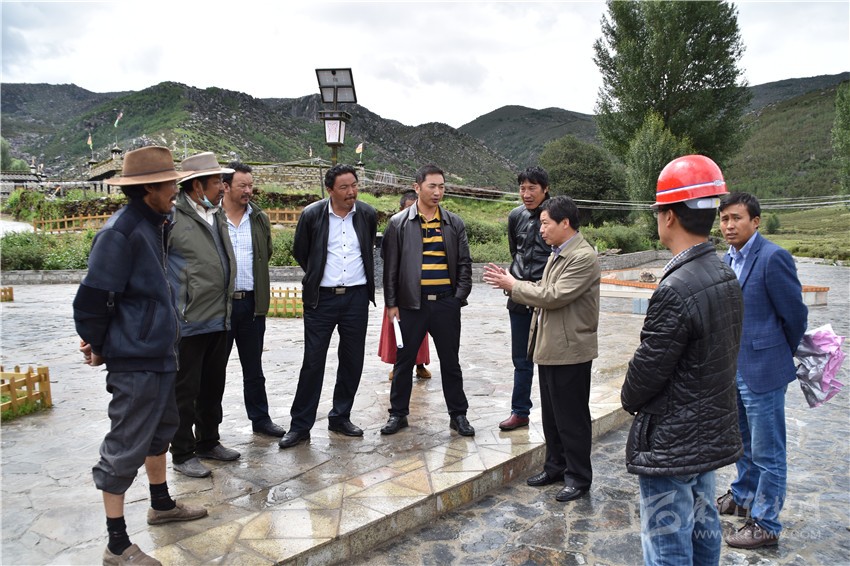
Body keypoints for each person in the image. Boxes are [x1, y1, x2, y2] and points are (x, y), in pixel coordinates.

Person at [73, 146, 207, 566]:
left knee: (161, 431)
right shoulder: (121, 232)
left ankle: (161, 504)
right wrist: (99, 344)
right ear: (149, 188)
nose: (175, 190)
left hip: (160, 353)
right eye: (169, 184)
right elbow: (92, 301)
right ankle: (116, 545)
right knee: (124, 446)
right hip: (135, 360)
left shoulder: (156, 223)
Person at [621, 155, 744, 565]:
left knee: (667, 545)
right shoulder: (723, 273)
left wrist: (628, 397)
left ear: (669, 216)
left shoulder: (676, 288)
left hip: (672, 443)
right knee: (703, 530)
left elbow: (645, 374)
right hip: (705, 434)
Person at [483, 195, 600, 502]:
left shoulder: (582, 257)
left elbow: (553, 296)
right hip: (551, 346)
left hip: (571, 349)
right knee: (552, 415)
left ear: (565, 223)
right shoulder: (557, 253)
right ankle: (555, 467)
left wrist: (514, 286)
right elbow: (544, 291)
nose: (541, 229)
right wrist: (514, 284)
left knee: (572, 417)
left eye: (546, 223)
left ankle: (578, 477)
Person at [718, 192, 808, 549]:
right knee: (742, 442)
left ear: (755, 221)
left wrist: (777, 352)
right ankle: (743, 496)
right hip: (734, 368)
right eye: (724, 219)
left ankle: (766, 523)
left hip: (764, 370)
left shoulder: (773, 257)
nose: (729, 225)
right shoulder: (727, 258)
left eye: (736, 218)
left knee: (769, 452)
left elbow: (795, 316)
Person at [278, 164, 378, 448]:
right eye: (344, 187)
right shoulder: (312, 214)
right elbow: (301, 251)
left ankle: (341, 416)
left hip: (356, 297)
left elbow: (367, 248)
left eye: (354, 185)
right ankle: (300, 425)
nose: (351, 192)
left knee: (352, 359)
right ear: (330, 190)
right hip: (321, 299)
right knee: (313, 361)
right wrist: (318, 275)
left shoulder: (367, 214)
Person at [380, 164, 475, 437]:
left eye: (441, 187)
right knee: (404, 362)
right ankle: (398, 414)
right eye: (432, 186)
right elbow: (390, 267)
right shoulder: (398, 223)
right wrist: (392, 303)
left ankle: (458, 415)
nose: (437, 192)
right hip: (412, 304)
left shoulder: (454, 223)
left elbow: (464, 264)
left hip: (446, 303)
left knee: (450, 362)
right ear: (417, 187)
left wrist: (458, 298)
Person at [168, 152, 239, 478]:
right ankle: (183, 453)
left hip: (219, 315)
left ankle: (208, 441)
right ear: (196, 186)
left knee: (213, 386)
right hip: (189, 320)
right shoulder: (172, 218)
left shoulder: (216, 214)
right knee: (185, 392)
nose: (223, 187)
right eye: (216, 182)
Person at [221, 162, 285, 437]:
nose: (248, 190)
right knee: (213, 370)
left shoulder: (258, 218)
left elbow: (265, 253)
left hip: (251, 305)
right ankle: (208, 429)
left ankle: (260, 420)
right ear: (225, 187)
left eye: (250, 185)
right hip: (219, 306)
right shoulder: (213, 218)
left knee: (254, 368)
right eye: (242, 186)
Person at [498, 166, 551, 431]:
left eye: (532, 188)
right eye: (522, 188)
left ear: (545, 189)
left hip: (547, 300)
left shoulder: (555, 216)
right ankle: (520, 412)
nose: (526, 194)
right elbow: (515, 252)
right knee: (521, 360)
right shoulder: (515, 216)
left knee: (551, 360)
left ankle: (554, 413)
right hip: (518, 298)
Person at [378, 191, 432, 382]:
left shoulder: (427, 225)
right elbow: (386, 255)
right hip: (400, 288)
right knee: (397, 329)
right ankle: (397, 365)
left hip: (420, 288)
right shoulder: (395, 225)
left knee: (420, 330)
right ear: (401, 209)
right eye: (408, 207)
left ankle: (420, 364)